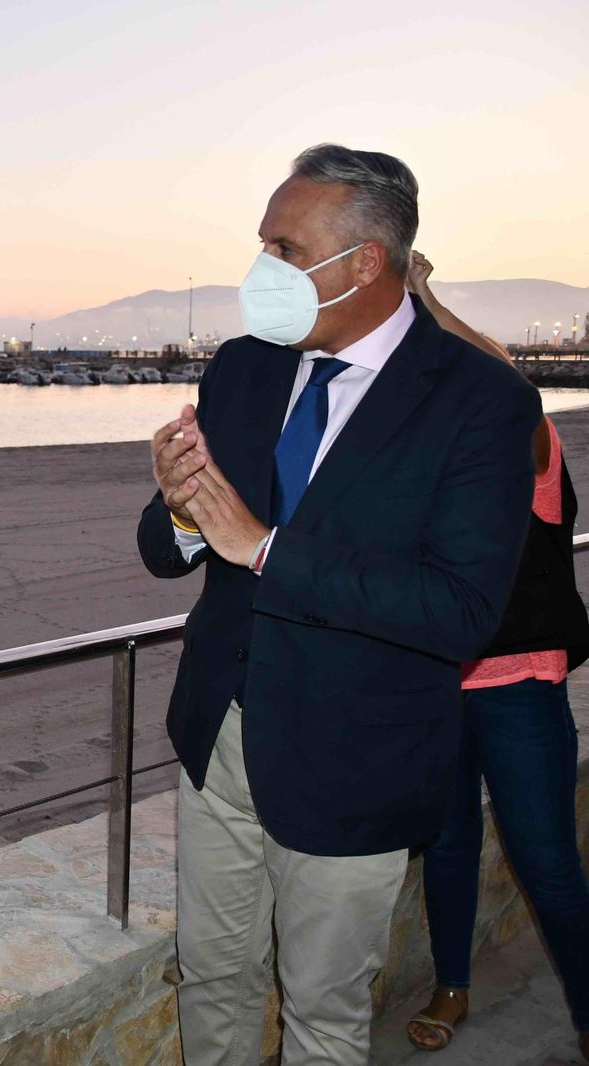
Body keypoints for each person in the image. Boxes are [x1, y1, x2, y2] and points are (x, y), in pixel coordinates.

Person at [138, 144, 541, 1066]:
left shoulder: (482, 403)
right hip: (220, 738)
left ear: (365, 262)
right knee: (214, 977)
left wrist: (265, 548)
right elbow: (171, 546)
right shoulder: (243, 368)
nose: (262, 269)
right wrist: (179, 513)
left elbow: (458, 610)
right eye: (263, 245)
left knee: (323, 1011)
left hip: (353, 755)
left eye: (285, 249)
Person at [401, 251, 589, 1058]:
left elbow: (502, 377)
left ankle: (586, 1011)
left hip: (520, 690)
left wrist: (423, 293)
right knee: (446, 844)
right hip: (441, 687)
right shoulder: (446, 471)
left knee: (546, 858)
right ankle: (451, 986)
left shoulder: (534, 450)